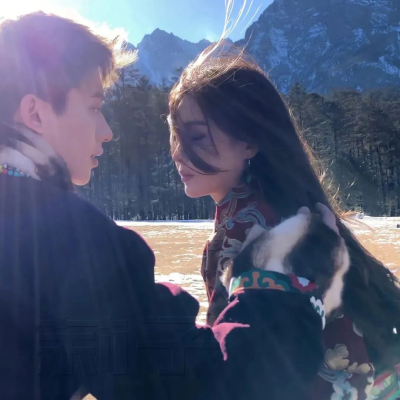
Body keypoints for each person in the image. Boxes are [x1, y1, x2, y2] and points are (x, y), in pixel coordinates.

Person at [0, 13, 332, 400]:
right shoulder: (69, 240)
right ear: (35, 113)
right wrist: (285, 283)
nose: (107, 131)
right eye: (93, 107)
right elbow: (206, 383)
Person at [168, 45, 400, 399]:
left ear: (249, 142)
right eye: (175, 134)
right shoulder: (285, 209)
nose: (178, 152)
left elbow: (232, 362)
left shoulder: (245, 232)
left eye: (196, 136)